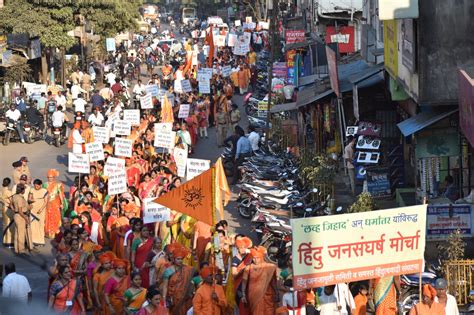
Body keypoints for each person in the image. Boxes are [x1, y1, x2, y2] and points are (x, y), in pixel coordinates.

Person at [241, 246, 278, 314]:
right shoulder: (248, 268)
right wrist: (243, 294)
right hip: (253, 295)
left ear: (261, 257)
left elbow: (273, 282)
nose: (255, 260)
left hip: (267, 295)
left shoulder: (269, 267)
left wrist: (276, 292)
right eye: (254, 258)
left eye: (257, 258)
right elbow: (244, 282)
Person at [162, 244, 195, 315]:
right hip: (173, 299)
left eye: (181, 259)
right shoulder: (168, 271)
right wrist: (164, 300)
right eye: (178, 259)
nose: (180, 261)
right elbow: (165, 286)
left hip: (184, 299)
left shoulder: (187, 269)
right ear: (173, 259)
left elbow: (192, 278)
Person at [44, 169, 66, 239]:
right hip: (47, 203)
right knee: (48, 217)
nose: (50, 179)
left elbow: (61, 194)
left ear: (54, 177)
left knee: (56, 217)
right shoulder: (45, 184)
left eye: (51, 177)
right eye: (49, 177)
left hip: (55, 204)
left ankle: (56, 231)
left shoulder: (58, 185)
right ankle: (49, 231)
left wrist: (62, 203)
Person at [11, 184, 32, 255]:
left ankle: (16, 249)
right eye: (24, 189)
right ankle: (21, 250)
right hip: (21, 216)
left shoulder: (14, 196)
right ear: (22, 190)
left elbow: (11, 204)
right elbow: (20, 211)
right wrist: (26, 218)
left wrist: (14, 210)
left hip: (16, 215)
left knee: (17, 233)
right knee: (21, 234)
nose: (25, 190)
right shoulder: (20, 198)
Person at [29, 178, 49, 247]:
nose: (36, 187)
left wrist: (41, 209)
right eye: (35, 186)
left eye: (37, 186)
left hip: (41, 211)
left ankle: (40, 241)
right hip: (33, 210)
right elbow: (30, 198)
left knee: (40, 225)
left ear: (41, 185)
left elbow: (46, 201)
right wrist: (31, 201)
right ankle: (33, 240)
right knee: (33, 225)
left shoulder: (44, 191)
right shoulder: (32, 190)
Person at [1, 177, 14, 248]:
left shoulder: (1, 190)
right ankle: (9, 242)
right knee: (10, 225)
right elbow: (11, 201)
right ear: (9, 184)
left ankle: (5, 241)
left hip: (3, 208)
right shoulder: (9, 192)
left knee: (5, 224)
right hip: (8, 209)